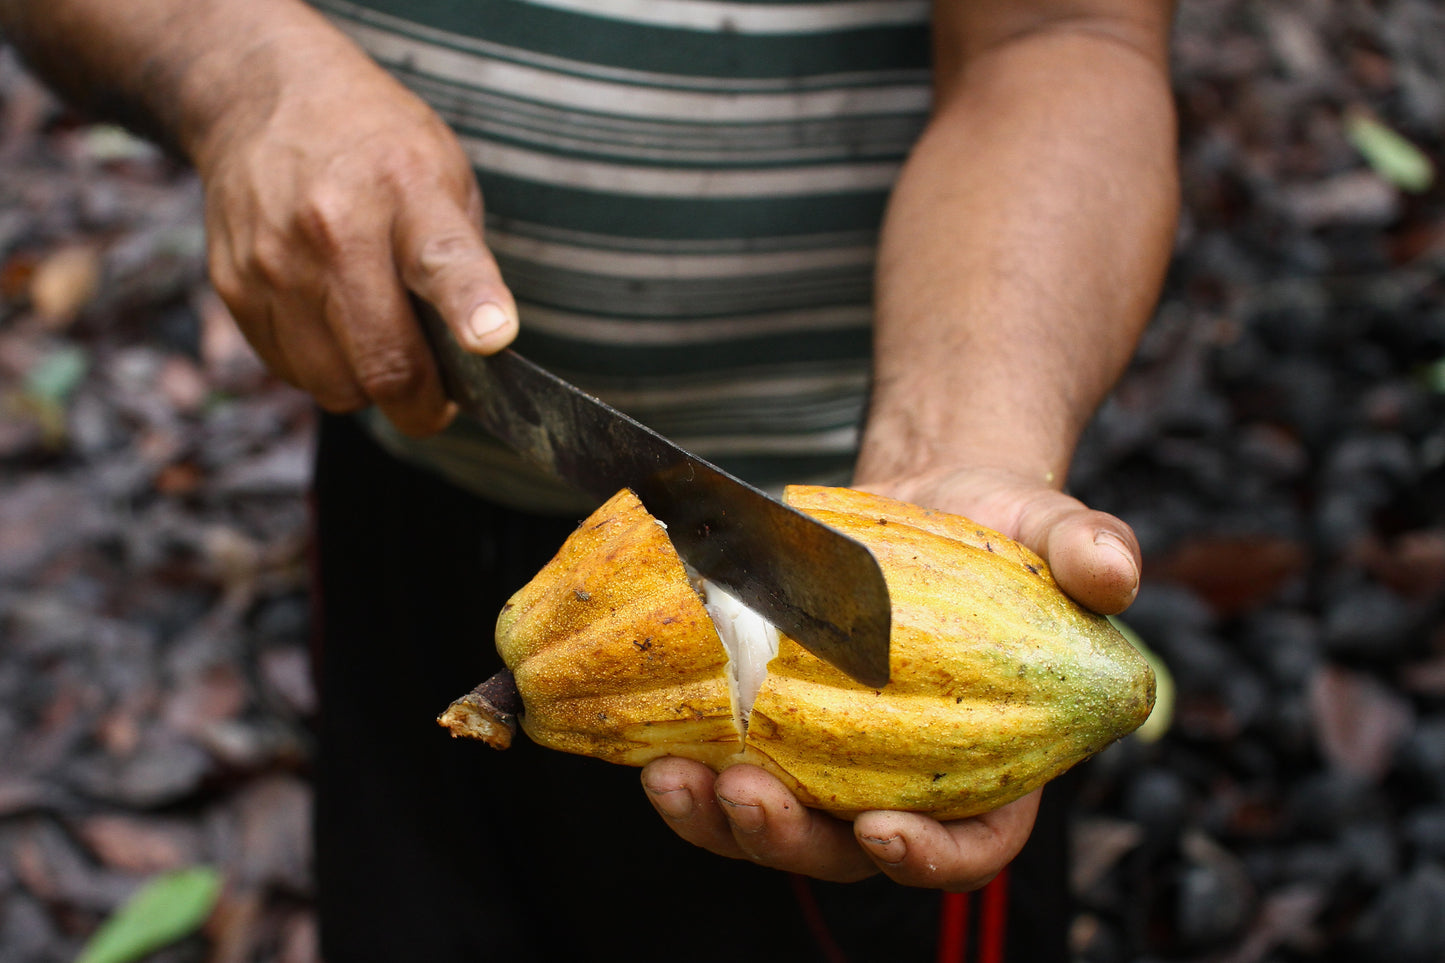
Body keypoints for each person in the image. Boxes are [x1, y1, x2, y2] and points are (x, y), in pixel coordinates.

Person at [0, 0, 1179, 958]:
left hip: (860, 535)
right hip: (404, 492)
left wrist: (958, 441)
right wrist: (240, 68)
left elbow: (1058, 39)